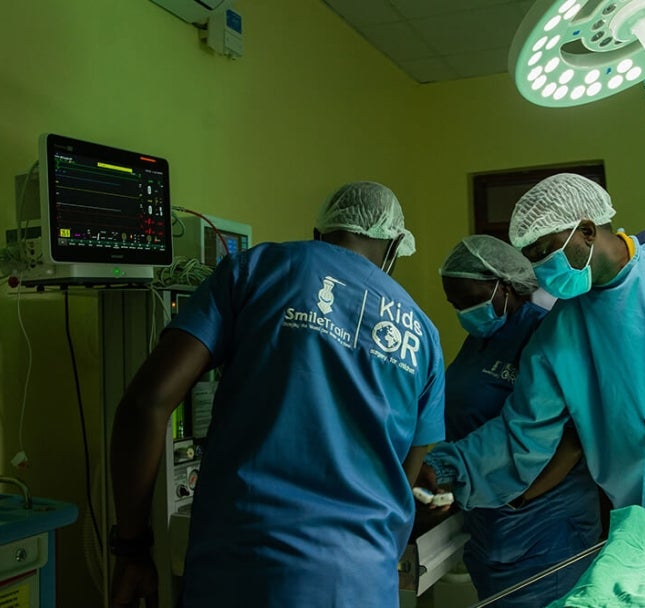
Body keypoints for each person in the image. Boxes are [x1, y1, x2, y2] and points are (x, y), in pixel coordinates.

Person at [108, 181, 446, 608]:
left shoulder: (256, 269)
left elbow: (147, 403)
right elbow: (404, 478)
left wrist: (132, 548)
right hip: (360, 581)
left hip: (241, 568)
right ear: (395, 244)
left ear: (319, 233)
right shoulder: (424, 336)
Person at [419, 173, 645, 544]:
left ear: (585, 231)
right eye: (531, 258)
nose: (538, 270)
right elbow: (521, 434)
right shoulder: (559, 335)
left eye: (544, 252)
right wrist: (447, 467)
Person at [434, 235, 601, 607]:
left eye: (470, 299)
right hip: (488, 520)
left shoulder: (547, 332)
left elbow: (575, 438)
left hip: (545, 526)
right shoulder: (481, 338)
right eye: (455, 303)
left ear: (504, 286)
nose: (463, 311)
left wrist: (520, 499)